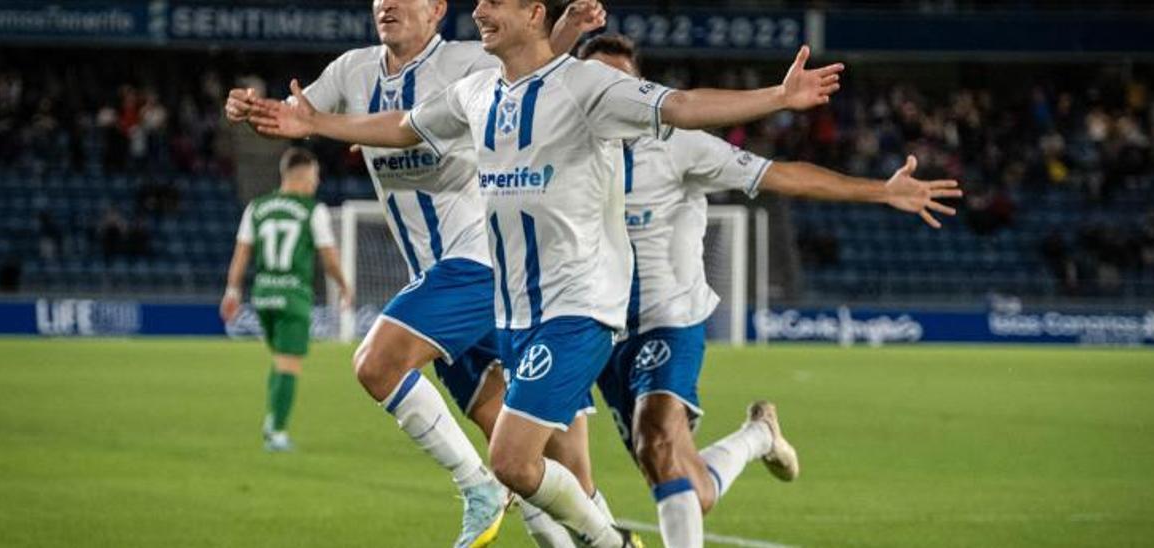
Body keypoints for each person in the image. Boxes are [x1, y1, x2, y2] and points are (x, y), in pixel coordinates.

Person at [248, 0, 844, 545]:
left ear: (533, 13)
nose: (477, 10)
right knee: (552, 474)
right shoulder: (478, 92)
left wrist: (777, 96)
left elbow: (682, 106)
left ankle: (600, 539)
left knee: (507, 460)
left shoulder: (588, 85)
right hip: (515, 312)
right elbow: (405, 127)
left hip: (578, 308)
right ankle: (605, 536)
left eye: (493, 3)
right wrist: (316, 124)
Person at [224, 1, 607, 546]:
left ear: (436, 10)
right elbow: (296, 114)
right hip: (439, 279)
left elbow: (536, 63)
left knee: (377, 363)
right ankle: (597, 537)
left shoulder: (466, 63)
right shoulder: (352, 72)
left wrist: (567, 28)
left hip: (480, 263)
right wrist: (253, 110)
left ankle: (475, 487)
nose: (387, 4)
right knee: (519, 451)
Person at [578, 35, 963, 547]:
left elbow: (779, 175)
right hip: (600, 328)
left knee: (656, 442)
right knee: (685, 483)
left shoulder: (680, 143)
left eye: (621, 84)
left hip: (669, 318)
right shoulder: (565, 148)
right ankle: (759, 435)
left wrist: (879, 190)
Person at [219, 148, 351, 453]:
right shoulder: (312, 210)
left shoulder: (257, 207)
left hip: (263, 294)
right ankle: (276, 432)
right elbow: (329, 258)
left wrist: (232, 291)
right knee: (289, 364)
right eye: (315, 176)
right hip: (293, 294)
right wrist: (344, 285)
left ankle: (271, 419)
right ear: (305, 176)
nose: (316, 183)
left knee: (279, 360)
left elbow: (241, 253)